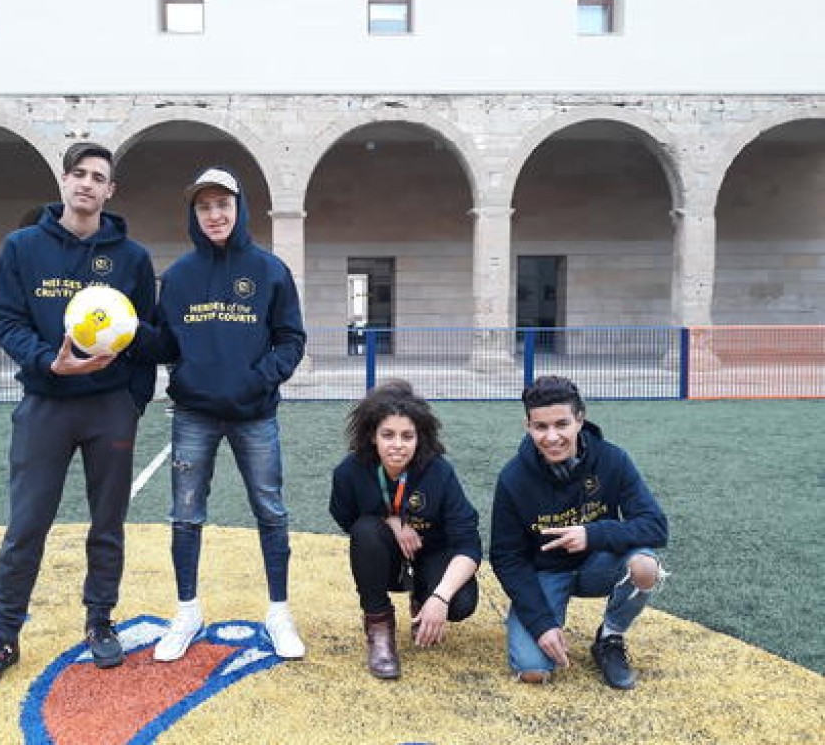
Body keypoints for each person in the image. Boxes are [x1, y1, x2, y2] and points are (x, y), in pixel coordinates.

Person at [0, 142, 158, 690]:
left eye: (98, 177)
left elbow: (147, 336)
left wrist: (134, 400)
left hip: (109, 408)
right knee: (27, 525)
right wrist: (48, 362)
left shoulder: (132, 258)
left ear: (110, 190)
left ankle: (100, 621)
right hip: (45, 404)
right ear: (64, 181)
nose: (87, 183)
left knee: (107, 524)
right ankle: (4, 635)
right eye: (79, 173)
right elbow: (8, 323)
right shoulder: (22, 247)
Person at [150, 166, 307, 662]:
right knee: (185, 515)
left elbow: (291, 339)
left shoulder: (270, 270)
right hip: (193, 414)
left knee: (270, 511)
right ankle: (187, 612)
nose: (214, 214)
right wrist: (125, 329)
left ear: (239, 208)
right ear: (193, 214)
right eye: (204, 206)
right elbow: (165, 343)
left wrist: (257, 379)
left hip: (254, 414)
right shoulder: (178, 277)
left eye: (223, 204)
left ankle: (279, 612)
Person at [489, 375, 668, 690]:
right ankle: (536, 619)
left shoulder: (612, 459)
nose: (552, 437)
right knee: (532, 670)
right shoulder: (513, 478)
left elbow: (655, 525)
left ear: (580, 420)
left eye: (562, 424)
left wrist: (592, 535)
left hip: (598, 565)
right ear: (528, 426)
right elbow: (506, 557)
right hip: (545, 573)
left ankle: (610, 638)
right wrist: (541, 625)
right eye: (540, 427)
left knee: (644, 566)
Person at [329, 379, 482, 680]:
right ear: (372, 436)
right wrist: (389, 520)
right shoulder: (349, 472)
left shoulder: (439, 472)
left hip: (431, 552)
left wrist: (440, 598)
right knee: (365, 532)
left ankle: (423, 599)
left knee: (460, 602)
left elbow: (469, 544)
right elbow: (347, 519)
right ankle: (379, 628)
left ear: (419, 438)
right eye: (388, 435)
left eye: (407, 436)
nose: (397, 445)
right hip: (387, 555)